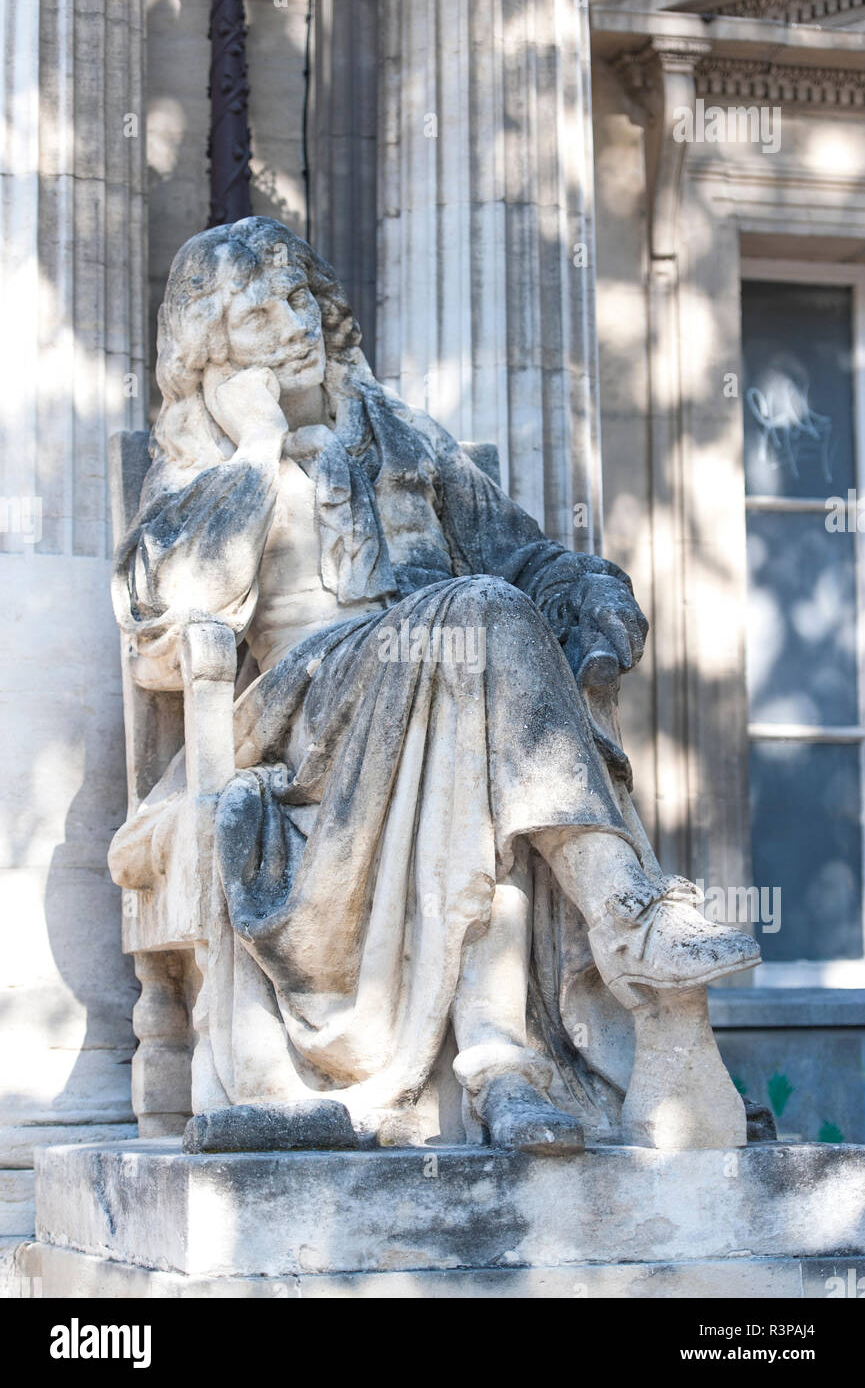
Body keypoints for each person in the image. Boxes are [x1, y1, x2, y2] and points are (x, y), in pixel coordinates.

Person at [109, 217, 759, 1152]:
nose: (293, 325)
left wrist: (590, 594)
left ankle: (504, 1073)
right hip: (300, 713)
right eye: (258, 316)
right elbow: (169, 629)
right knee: (481, 622)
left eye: (300, 298)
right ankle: (627, 916)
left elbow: (522, 554)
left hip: (451, 687)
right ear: (212, 346)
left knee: (480, 666)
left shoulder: (399, 432)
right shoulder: (197, 458)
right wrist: (254, 455)